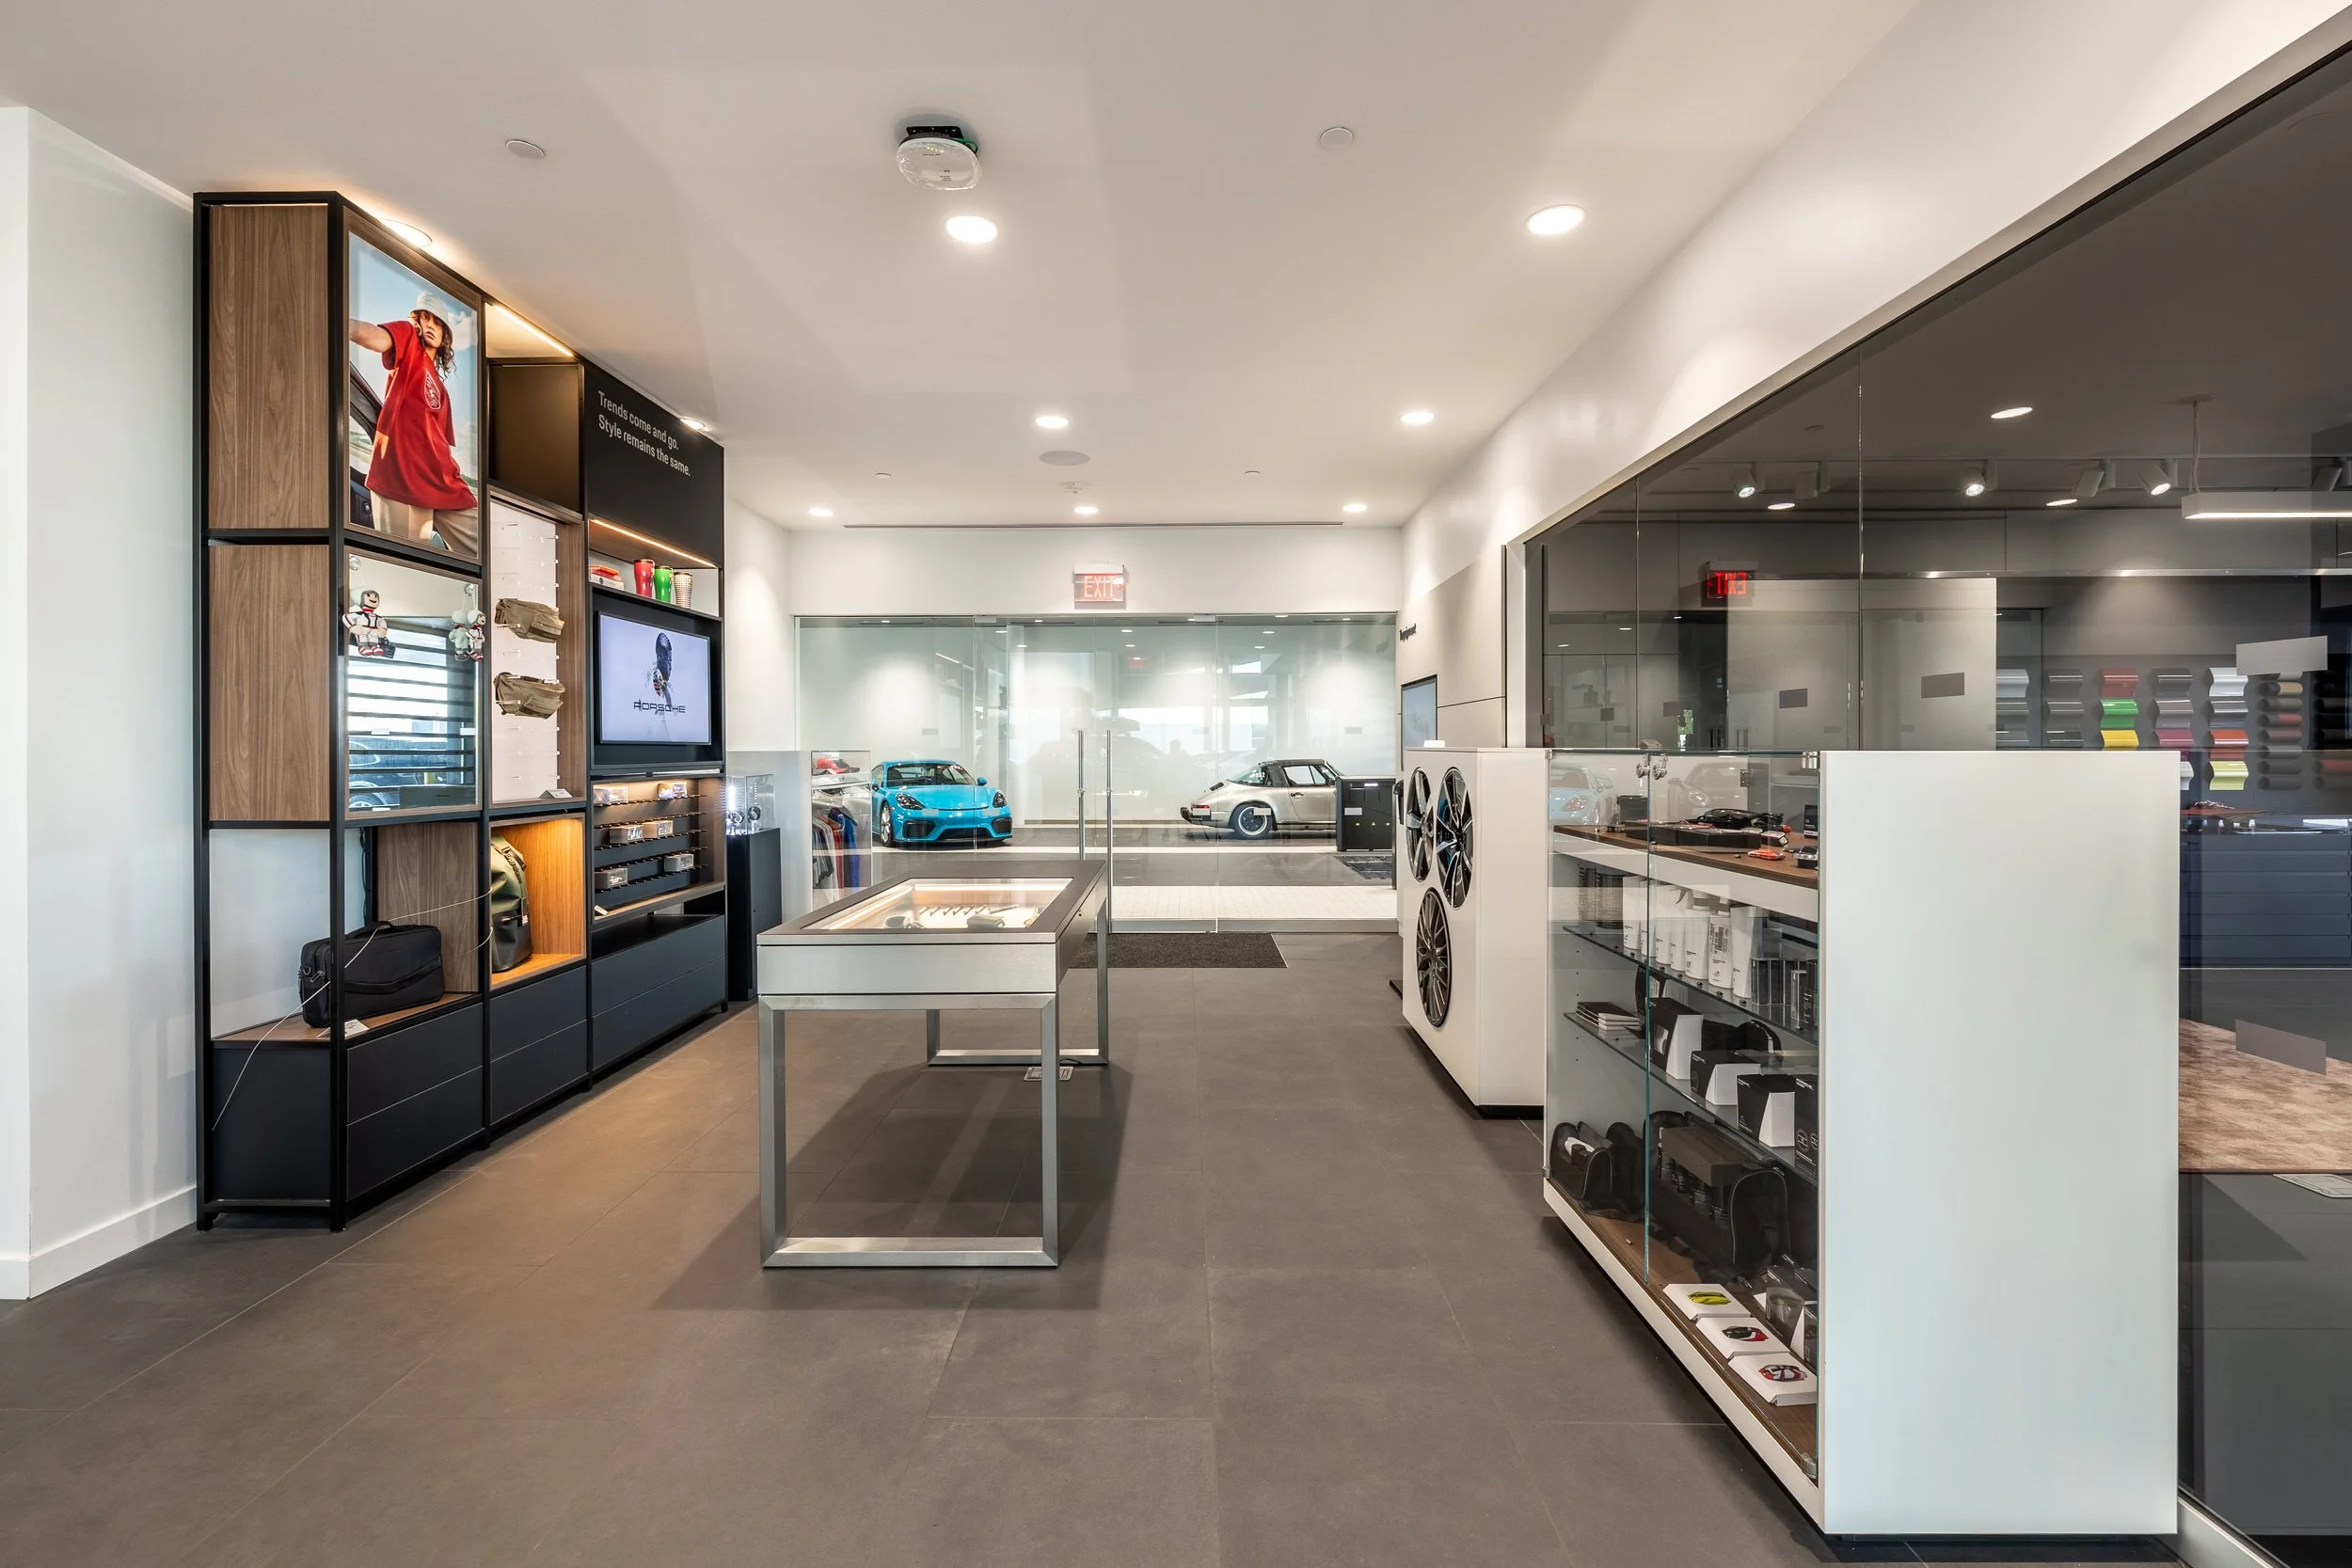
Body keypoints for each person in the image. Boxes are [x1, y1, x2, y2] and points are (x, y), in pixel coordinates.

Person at [349, 295, 479, 558]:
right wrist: (337, 322)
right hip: (400, 475)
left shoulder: (442, 391)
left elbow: (439, 441)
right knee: (405, 565)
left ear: (445, 334)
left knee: (484, 546)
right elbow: (374, 336)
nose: (430, 325)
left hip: (442, 480)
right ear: (417, 323)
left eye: (437, 322)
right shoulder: (408, 343)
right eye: (425, 318)